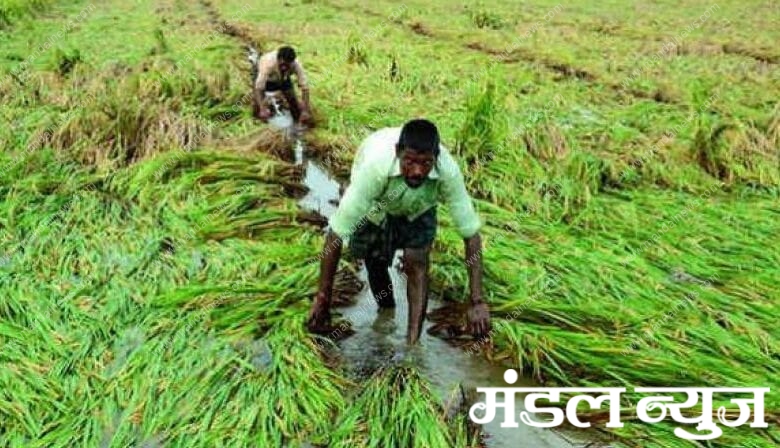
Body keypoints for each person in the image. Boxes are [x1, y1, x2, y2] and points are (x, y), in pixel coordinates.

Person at [306, 119, 491, 345]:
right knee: (375, 260)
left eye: (425, 163)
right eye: (410, 162)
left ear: (436, 159)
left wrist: (477, 300)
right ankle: (386, 310)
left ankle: (412, 344)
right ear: (398, 152)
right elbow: (336, 234)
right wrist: (322, 299)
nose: (416, 171)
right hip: (377, 205)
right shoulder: (375, 168)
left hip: (419, 207)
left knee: (417, 262)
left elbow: (471, 234)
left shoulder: (447, 171)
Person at [252, 45, 312, 126]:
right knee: (258, 105)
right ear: (278, 59)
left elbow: (305, 88)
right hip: (267, 79)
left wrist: (305, 110)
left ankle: (297, 124)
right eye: (282, 65)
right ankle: (260, 123)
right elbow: (258, 88)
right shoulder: (268, 63)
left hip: (284, 78)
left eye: (287, 66)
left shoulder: (296, 64)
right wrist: (262, 108)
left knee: (293, 100)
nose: (284, 68)